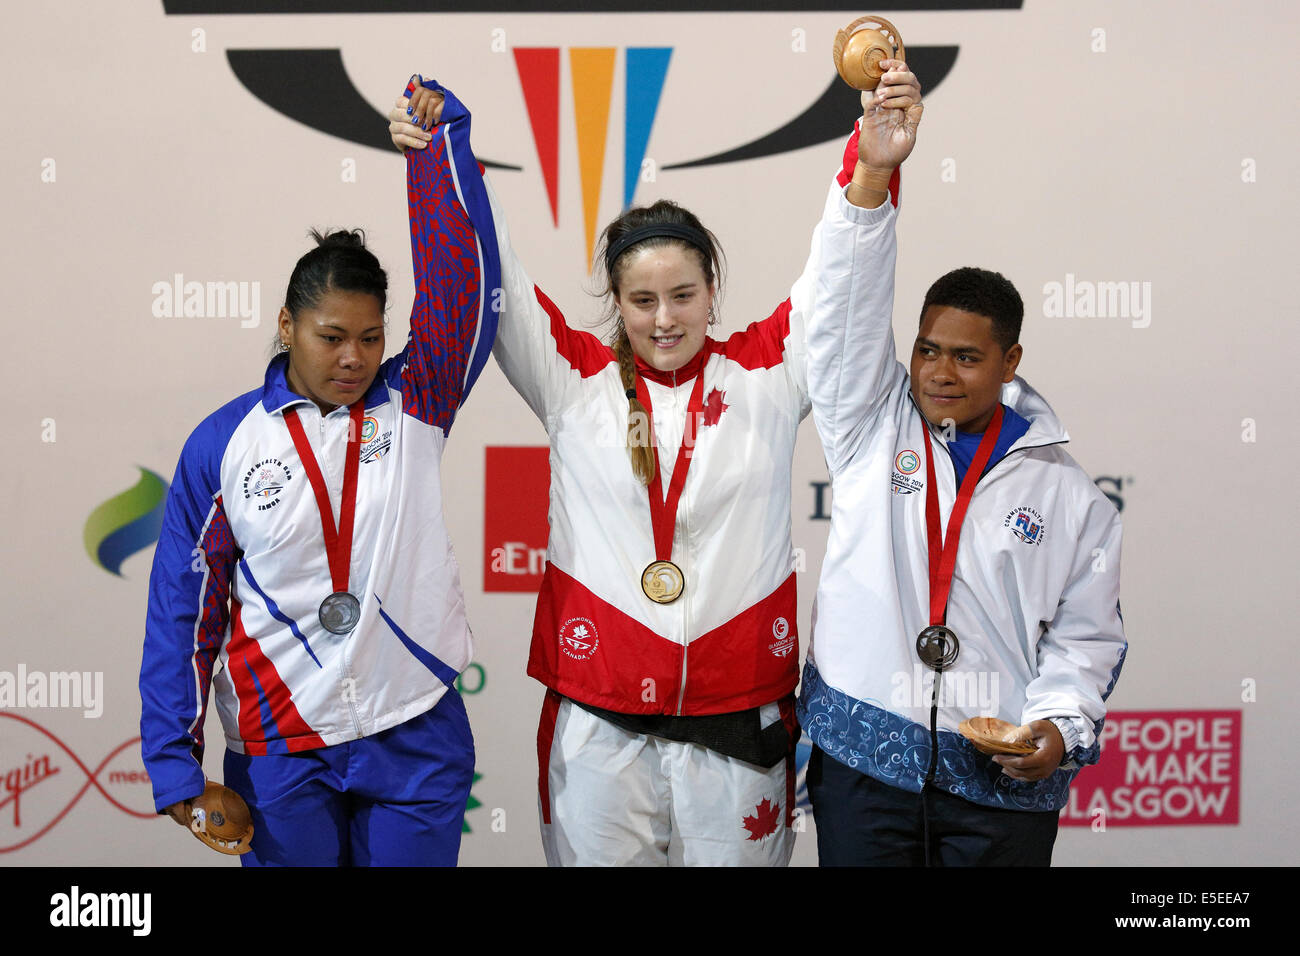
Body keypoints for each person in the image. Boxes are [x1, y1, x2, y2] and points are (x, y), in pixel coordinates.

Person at [390, 65, 920, 865]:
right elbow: (491, 272)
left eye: (683, 295)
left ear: (712, 293)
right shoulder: (573, 380)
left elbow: (841, 287)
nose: (664, 319)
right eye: (643, 301)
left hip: (739, 716)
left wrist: (871, 170)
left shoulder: (769, 373)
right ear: (616, 301)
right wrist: (440, 159)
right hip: (598, 721)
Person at [138, 83, 500, 866]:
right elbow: (183, 606)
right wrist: (173, 764)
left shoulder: (417, 402)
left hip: (415, 725)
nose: (353, 358)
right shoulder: (223, 444)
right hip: (281, 743)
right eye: (332, 336)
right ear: (286, 326)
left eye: (371, 338)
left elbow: (463, 295)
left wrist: (436, 160)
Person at [798, 86, 1127, 865]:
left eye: (968, 357)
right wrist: (871, 181)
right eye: (926, 349)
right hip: (864, 768)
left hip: (999, 784)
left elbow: (1083, 644)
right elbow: (844, 311)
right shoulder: (869, 427)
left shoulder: (1072, 500)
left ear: (1010, 363)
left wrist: (1058, 728)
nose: (939, 373)